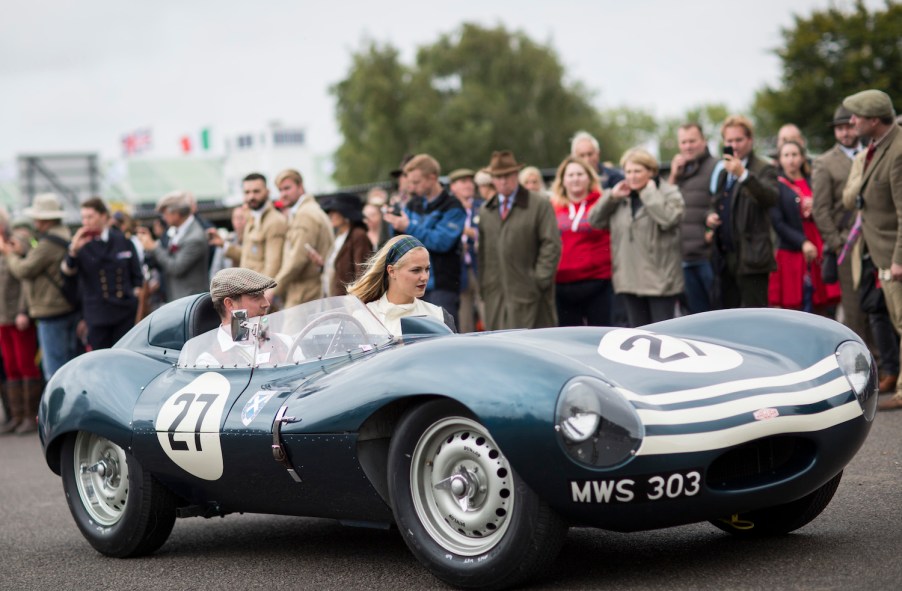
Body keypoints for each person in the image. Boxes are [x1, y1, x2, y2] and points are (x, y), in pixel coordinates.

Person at [813, 105, 897, 393]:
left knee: (883, 309)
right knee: (855, 312)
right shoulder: (824, 162)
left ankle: (889, 368)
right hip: (847, 247)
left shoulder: (875, 153)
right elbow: (821, 210)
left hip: (877, 242)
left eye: (849, 126)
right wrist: (838, 244)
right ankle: (863, 377)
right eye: (840, 128)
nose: (846, 132)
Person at [838, 90, 902, 411]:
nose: (852, 121)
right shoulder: (876, 148)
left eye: (857, 116)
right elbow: (855, 199)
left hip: (893, 254)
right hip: (879, 252)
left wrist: (898, 259)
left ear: (874, 120)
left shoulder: (898, 151)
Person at [589, 148, 684, 327]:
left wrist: (649, 194)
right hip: (628, 281)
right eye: (628, 171)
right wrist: (611, 197)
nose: (632, 177)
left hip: (660, 282)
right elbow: (594, 221)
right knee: (638, 335)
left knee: (663, 335)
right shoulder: (621, 196)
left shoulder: (669, 193)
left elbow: (669, 219)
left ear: (651, 171)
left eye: (637, 171)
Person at [0, 193, 78, 387]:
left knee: (54, 371)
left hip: (51, 310)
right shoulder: (62, 236)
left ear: (45, 220)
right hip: (64, 307)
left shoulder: (48, 244)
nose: (35, 222)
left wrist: (9, 254)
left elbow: (24, 270)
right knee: (66, 364)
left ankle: (57, 406)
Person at [478, 150, 561, 330]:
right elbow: (483, 254)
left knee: (533, 342)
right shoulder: (487, 210)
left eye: (507, 175)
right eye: (498, 177)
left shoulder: (539, 204)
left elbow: (551, 245)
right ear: (492, 179)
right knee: (499, 343)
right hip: (496, 295)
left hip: (530, 295)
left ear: (516, 175)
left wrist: (539, 280)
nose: (503, 181)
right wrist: (485, 287)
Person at [383, 154, 465, 326]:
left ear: (432, 178)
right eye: (410, 182)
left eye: (417, 182)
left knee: (444, 334)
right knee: (416, 336)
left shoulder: (453, 206)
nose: (412, 187)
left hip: (443, 286)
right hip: (413, 286)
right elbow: (401, 242)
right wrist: (395, 223)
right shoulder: (413, 204)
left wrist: (408, 226)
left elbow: (441, 242)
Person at [707, 115, 780, 308]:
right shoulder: (723, 172)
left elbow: (770, 198)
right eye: (729, 141)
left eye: (738, 140)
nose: (734, 145)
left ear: (750, 140)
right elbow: (715, 203)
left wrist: (743, 175)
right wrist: (711, 217)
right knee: (728, 316)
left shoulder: (764, 168)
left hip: (752, 258)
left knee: (755, 316)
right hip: (725, 258)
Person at [61, 197, 143, 350]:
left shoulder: (122, 240)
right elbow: (68, 275)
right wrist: (73, 251)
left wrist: (134, 296)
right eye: (83, 218)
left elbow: (137, 275)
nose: (86, 222)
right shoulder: (81, 244)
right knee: (100, 356)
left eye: (90, 217)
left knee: (123, 354)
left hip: (124, 311)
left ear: (103, 216)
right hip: (97, 313)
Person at [768, 141, 839, 312]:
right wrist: (802, 242)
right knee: (795, 304)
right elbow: (778, 223)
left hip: (818, 243)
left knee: (821, 302)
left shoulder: (813, 180)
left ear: (802, 157)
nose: (791, 160)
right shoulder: (777, 185)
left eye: (794, 154)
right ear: (780, 159)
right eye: (786, 155)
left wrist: (816, 208)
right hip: (792, 249)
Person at [347, 235, 455, 334]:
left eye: (427, 269)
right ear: (391, 271)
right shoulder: (365, 317)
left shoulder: (439, 316)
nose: (425, 277)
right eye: (416, 270)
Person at [550, 155, 611, 326]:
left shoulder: (602, 202)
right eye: (570, 175)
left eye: (580, 174)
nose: (575, 179)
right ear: (563, 180)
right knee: (568, 338)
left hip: (598, 283)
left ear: (589, 178)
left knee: (599, 336)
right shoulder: (553, 206)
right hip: (562, 285)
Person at [181, 268, 282, 367]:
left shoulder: (284, 342)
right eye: (255, 297)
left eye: (263, 295)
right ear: (230, 304)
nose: (266, 303)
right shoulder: (209, 361)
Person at [0, 209, 42, 435]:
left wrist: (23, 311)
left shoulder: (16, 242)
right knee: (10, 366)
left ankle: (30, 415)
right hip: (2, 317)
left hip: (18, 316)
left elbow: (26, 279)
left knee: (25, 363)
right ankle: (16, 416)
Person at [669, 123, 718, 315]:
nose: (687, 146)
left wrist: (709, 230)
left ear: (703, 141)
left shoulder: (716, 167)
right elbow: (666, 204)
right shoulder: (680, 171)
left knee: (716, 313)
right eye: (683, 142)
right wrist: (674, 176)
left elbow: (719, 205)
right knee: (694, 317)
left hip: (707, 257)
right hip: (683, 257)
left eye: (692, 141)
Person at [273, 168, 334, 307]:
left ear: (300, 186)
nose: (283, 194)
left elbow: (298, 259)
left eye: (287, 188)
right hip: (306, 292)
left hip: (306, 294)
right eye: (280, 190)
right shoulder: (305, 211)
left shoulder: (305, 214)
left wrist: (273, 289)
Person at [209, 173, 287, 279]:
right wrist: (224, 245)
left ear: (267, 192)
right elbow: (249, 256)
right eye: (247, 192)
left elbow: (273, 267)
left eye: (256, 191)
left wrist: (262, 289)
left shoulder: (275, 221)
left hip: (260, 287)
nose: (251, 197)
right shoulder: (252, 217)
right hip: (249, 285)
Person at [137, 190, 210, 301]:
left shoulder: (195, 237)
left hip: (190, 300)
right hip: (179, 298)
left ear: (176, 213)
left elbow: (176, 267)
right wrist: (151, 246)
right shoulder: (177, 230)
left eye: (165, 213)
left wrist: (154, 247)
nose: (163, 217)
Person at [448, 168, 484, 333]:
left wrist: (468, 232)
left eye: (470, 181)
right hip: (458, 269)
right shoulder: (449, 209)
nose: (468, 185)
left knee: (487, 312)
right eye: (463, 182)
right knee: (464, 319)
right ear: (453, 186)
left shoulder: (482, 206)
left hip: (480, 266)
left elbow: (489, 233)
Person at [319, 193, 372, 296]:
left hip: (348, 300)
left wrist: (355, 300)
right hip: (335, 298)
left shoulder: (358, 235)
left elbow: (362, 273)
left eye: (335, 211)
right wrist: (322, 265)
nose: (331, 215)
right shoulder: (339, 235)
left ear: (346, 213)